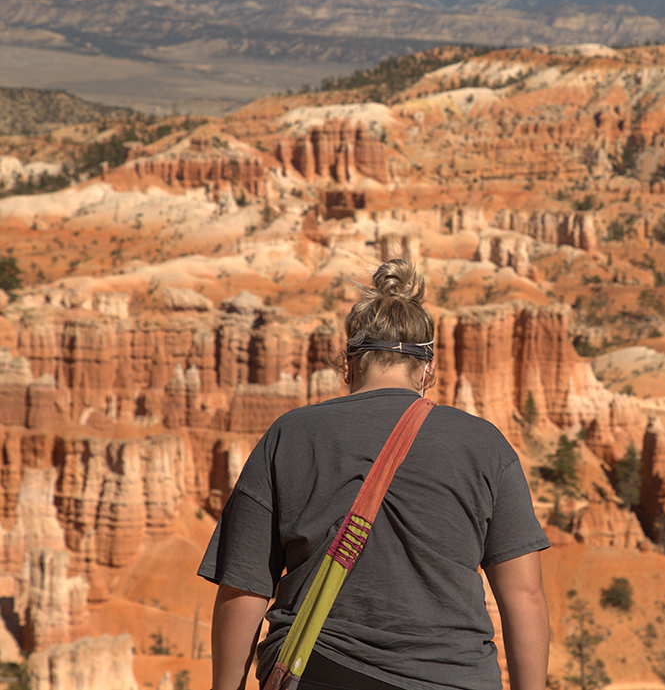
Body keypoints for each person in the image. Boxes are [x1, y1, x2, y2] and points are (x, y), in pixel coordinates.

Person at [199, 259, 551, 690]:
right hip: (451, 677)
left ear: (348, 365)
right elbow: (524, 595)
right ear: (429, 369)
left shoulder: (289, 436)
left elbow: (245, 589)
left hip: (317, 672)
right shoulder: (486, 445)